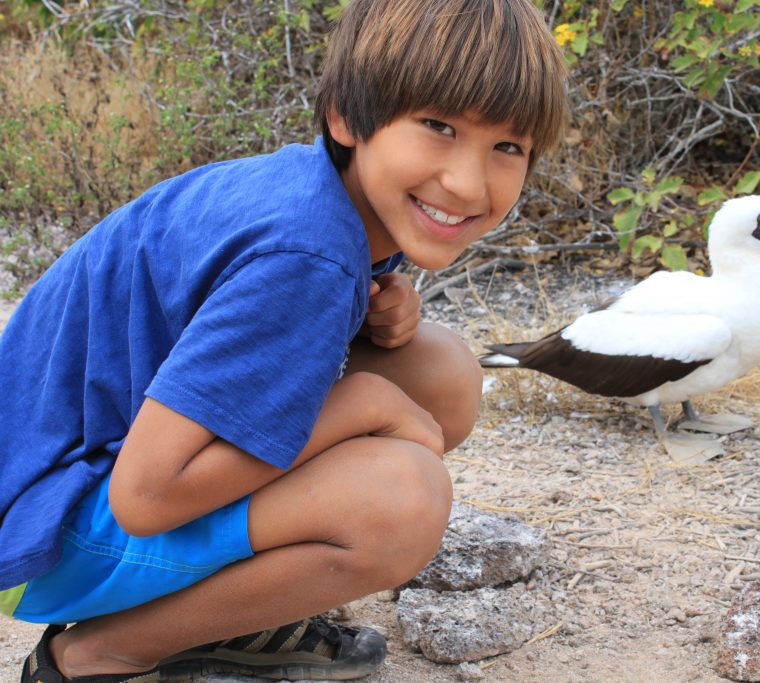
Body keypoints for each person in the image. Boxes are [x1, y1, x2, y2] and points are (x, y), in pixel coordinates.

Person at [0, 0, 567, 680]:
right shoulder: (306, 254)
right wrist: (363, 403)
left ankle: (227, 613)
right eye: (438, 126)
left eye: (508, 147)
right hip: (36, 536)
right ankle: (101, 655)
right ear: (346, 118)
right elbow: (146, 497)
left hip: (58, 486)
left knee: (440, 372)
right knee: (401, 499)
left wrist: (370, 313)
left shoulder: (323, 201)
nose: (468, 182)